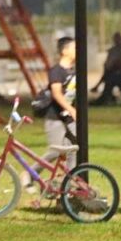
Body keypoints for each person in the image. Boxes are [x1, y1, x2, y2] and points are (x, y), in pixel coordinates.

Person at [45, 36, 78, 172]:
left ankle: (70, 182)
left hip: (69, 117)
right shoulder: (56, 71)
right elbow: (57, 93)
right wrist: (71, 109)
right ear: (64, 51)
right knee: (56, 151)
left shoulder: (75, 71)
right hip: (55, 117)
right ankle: (29, 174)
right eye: (74, 48)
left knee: (74, 149)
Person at [93, 33, 121, 105]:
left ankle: (105, 97)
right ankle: (107, 96)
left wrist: (119, 70)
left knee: (110, 79)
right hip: (115, 72)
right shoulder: (115, 50)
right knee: (109, 77)